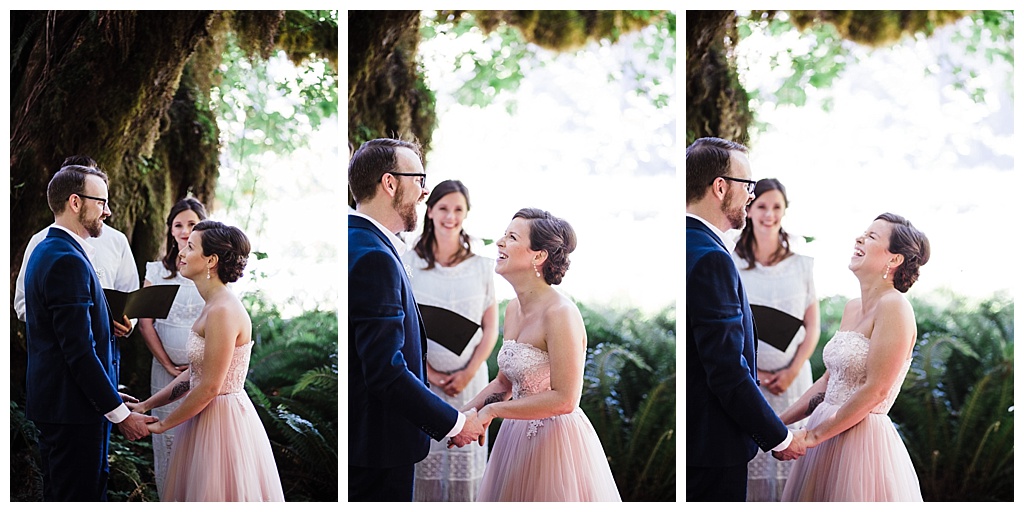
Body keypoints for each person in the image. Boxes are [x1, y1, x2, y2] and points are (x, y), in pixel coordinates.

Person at [348, 138, 488, 501]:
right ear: (390, 183)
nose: (424, 191)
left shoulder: (360, 243)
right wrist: (455, 423)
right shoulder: (374, 258)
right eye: (419, 179)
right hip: (378, 449)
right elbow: (386, 371)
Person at [465, 208, 621, 501]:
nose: (499, 242)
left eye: (511, 237)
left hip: (556, 445)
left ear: (538, 256)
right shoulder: (512, 309)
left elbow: (565, 399)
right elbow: (503, 384)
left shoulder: (561, 314)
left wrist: (492, 412)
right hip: (514, 440)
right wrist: (458, 418)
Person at [23, 164, 156, 501]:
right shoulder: (65, 260)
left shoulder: (50, 250)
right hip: (73, 413)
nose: (107, 211)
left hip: (70, 406)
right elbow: (79, 351)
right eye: (101, 202)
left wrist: (111, 390)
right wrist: (121, 415)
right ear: (75, 202)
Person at [685, 137, 807, 501]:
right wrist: (779, 438)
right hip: (711, 451)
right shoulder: (711, 257)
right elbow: (726, 370)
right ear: (720, 187)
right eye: (748, 185)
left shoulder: (688, 244)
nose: (751, 196)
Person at [127, 220, 284, 501]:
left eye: (190, 247)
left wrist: (162, 425)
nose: (182, 254)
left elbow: (210, 386)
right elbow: (196, 373)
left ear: (210, 260)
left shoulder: (224, 310)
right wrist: (146, 405)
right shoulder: (211, 305)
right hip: (202, 418)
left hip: (222, 423)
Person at [780, 213, 929, 501]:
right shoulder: (852, 308)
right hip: (824, 436)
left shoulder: (895, 307)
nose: (859, 238)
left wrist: (811, 437)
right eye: (863, 233)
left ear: (894, 260)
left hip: (861, 444)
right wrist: (776, 423)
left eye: (872, 236)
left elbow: (876, 390)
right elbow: (827, 382)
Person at [403, 180, 499, 502]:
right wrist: (429, 373)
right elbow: (403, 326)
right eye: (443, 208)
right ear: (430, 211)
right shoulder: (408, 261)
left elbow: (491, 329)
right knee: (425, 462)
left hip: (470, 383)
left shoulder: (482, 265)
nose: (450, 216)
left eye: (458, 209)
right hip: (424, 382)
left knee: (465, 468)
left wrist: (468, 373)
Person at [732, 178, 820, 501]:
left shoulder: (802, 264)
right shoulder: (732, 262)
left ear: (784, 211)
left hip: (793, 381)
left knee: (793, 465)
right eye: (762, 206)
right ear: (750, 209)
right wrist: (753, 374)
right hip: (750, 380)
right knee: (753, 462)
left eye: (776, 207)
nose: (769, 214)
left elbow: (812, 326)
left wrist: (792, 371)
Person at [15, 155, 138, 337]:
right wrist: (73, 320)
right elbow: (23, 303)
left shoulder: (117, 240)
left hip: (108, 346)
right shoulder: (40, 241)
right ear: (74, 200)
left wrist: (129, 323)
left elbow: (131, 292)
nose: (107, 210)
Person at [137, 196, 208, 495]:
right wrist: (167, 363)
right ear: (170, 230)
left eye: (191, 224)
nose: (183, 230)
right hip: (164, 372)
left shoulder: (210, 273)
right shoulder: (156, 272)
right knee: (166, 441)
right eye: (178, 225)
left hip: (201, 374)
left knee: (196, 438)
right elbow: (145, 322)